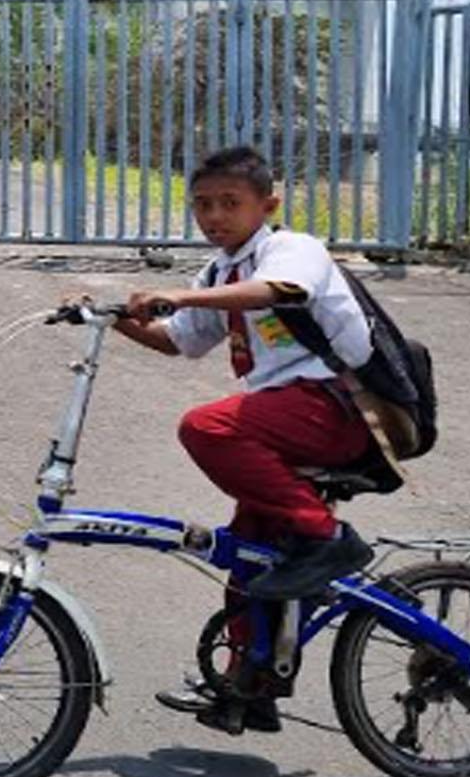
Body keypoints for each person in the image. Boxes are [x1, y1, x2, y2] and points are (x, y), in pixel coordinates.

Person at [103, 145, 377, 733]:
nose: (215, 217)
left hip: (336, 407)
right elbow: (179, 339)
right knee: (247, 559)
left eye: (231, 203)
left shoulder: (291, 249)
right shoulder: (220, 271)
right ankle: (251, 686)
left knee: (207, 426)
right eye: (202, 205)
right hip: (285, 416)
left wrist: (181, 295)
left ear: (267, 205)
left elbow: (277, 292)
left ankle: (327, 538)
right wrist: (109, 318)